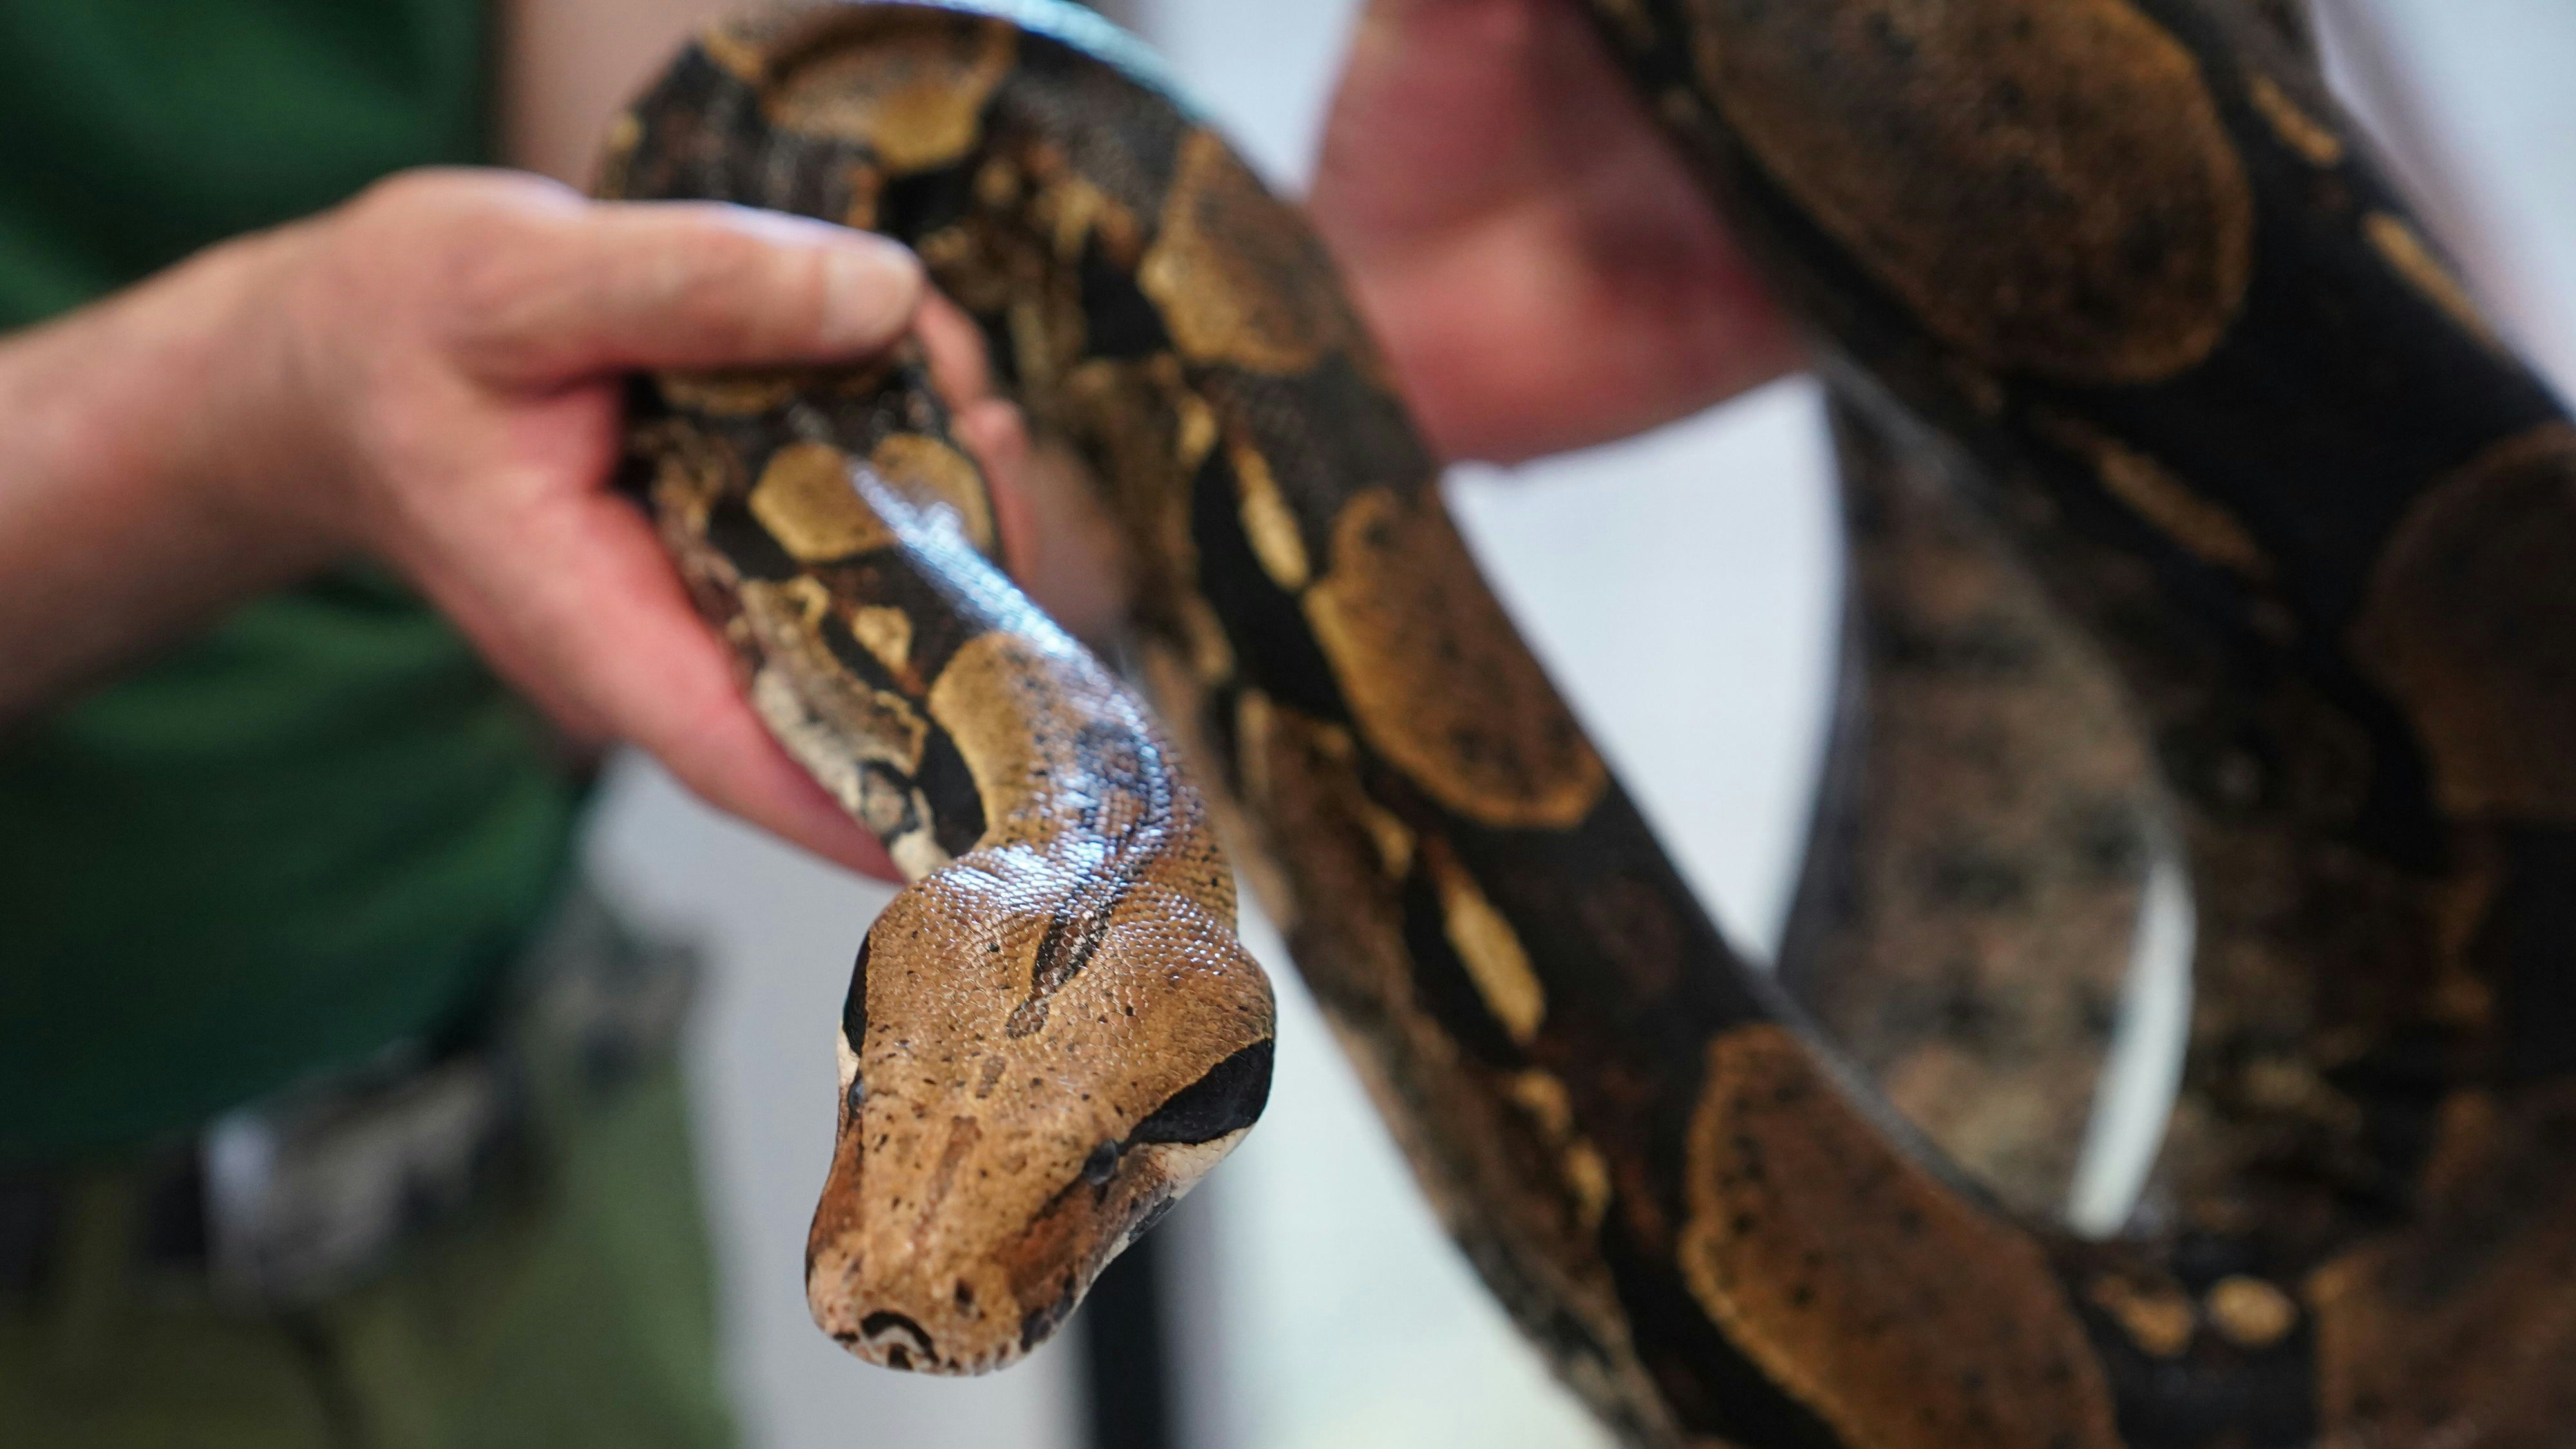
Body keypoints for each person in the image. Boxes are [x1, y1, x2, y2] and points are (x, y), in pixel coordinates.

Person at [0, 0, 1797, 1443]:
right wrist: (264, 387)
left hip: (517, 1166)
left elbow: (697, 299)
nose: (904, 1267)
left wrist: (1330, 386)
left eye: (1087, 1173)